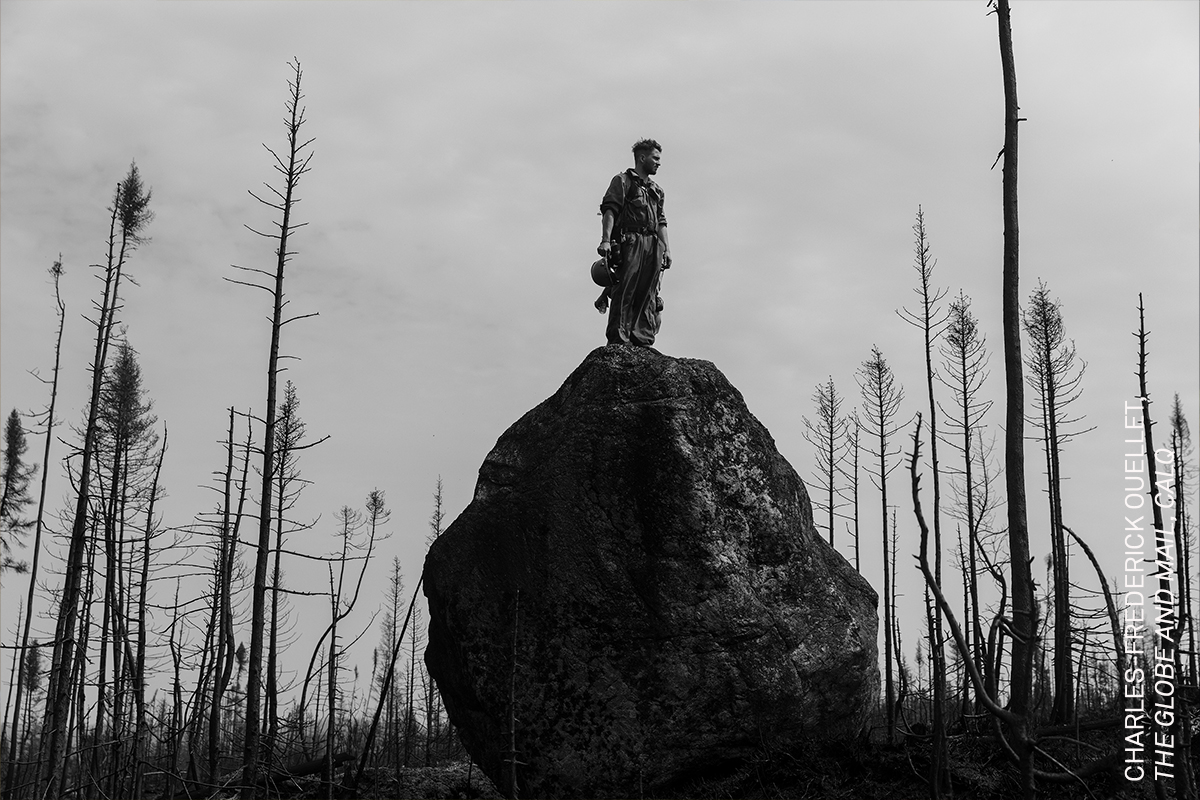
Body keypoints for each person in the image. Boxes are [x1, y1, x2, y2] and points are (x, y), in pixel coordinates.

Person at [595, 139, 672, 346]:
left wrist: (667, 250)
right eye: (655, 158)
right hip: (630, 241)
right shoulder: (622, 181)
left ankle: (642, 339)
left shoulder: (657, 190)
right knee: (626, 288)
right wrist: (605, 241)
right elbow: (610, 210)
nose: (658, 163)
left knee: (649, 291)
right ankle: (619, 339)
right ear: (642, 158)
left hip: (653, 244)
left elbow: (661, 222)